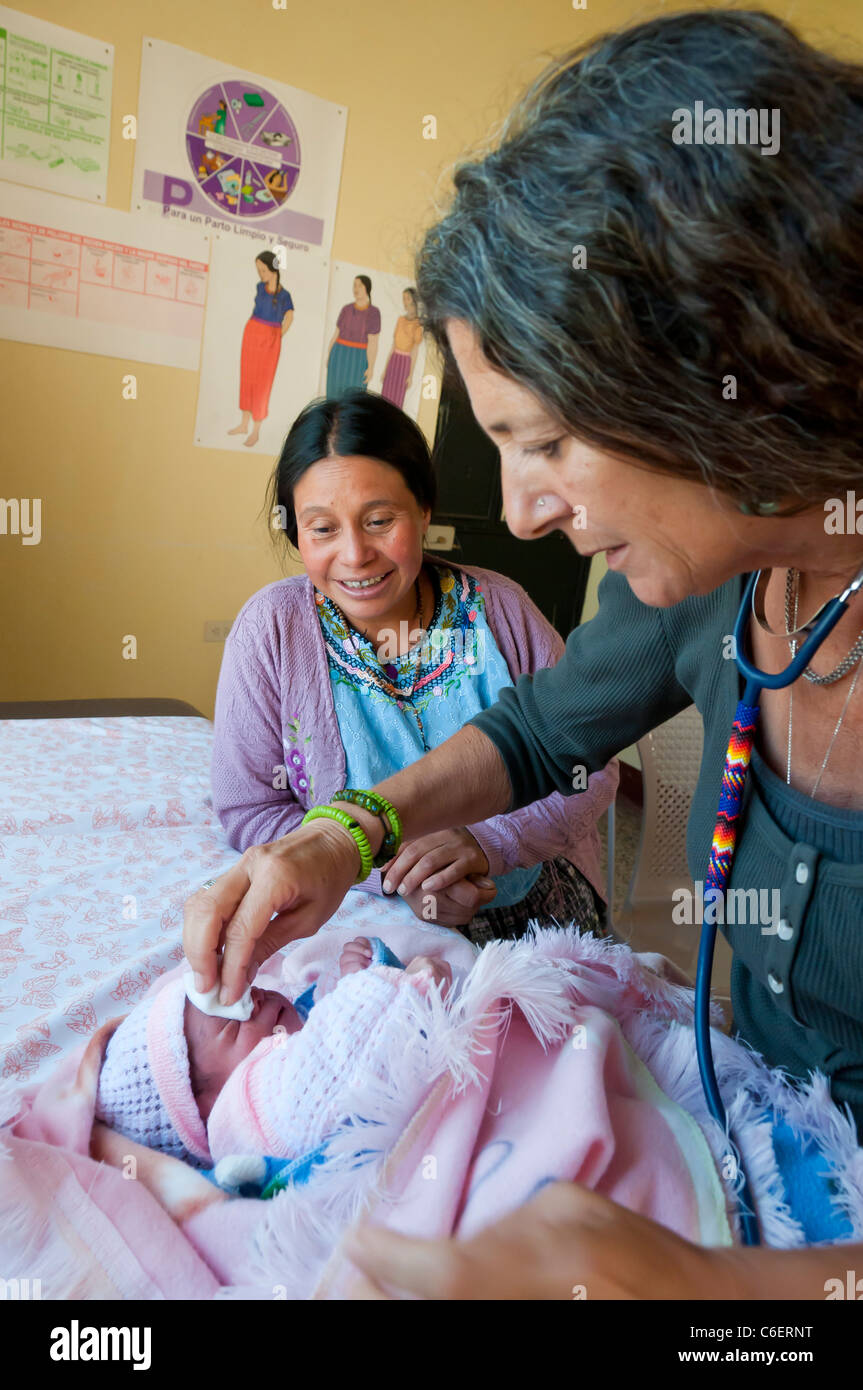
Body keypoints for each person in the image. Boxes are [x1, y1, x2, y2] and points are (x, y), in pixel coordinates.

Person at [185, 10, 863, 1297]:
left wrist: (721, 1295)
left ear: (741, 377)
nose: (529, 507)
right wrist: (349, 834)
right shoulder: (718, 586)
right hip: (746, 1128)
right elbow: (538, 733)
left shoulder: (547, 587)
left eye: (545, 441)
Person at [212, 388, 617, 944]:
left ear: (424, 511)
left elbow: (588, 766)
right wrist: (392, 873)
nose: (354, 554)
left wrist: (486, 844)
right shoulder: (271, 632)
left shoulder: (500, 610)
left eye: (379, 520)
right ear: (296, 532)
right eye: (323, 528)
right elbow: (251, 809)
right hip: (364, 916)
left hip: (532, 903)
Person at [94, 937, 450, 1189]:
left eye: (239, 994)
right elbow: (339, 1053)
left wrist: (362, 971)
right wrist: (399, 984)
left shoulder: (287, 1032)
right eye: (231, 1020)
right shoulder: (247, 1115)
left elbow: (326, 1026)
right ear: (202, 1108)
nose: (254, 997)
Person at [228, 251, 295, 448]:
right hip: (252, 334)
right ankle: (243, 424)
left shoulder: (285, 295)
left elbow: (289, 317)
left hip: (270, 339)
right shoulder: (259, 287)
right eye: (258, 270)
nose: (260, 274)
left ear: (273, 269)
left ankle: (256, 431)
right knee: (247, 377)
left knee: (262, 383)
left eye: (263, 269)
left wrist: (277, 335)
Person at [325, 275, 380, 394]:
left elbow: (373, 342)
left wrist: (370, 367)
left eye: (360, 285)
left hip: (358, 359)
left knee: (353, 398)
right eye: (354, 285)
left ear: (367, 288)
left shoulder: (374, 313)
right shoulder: (346, 309)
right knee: (333, 395)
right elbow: (336, 334)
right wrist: (329, 355)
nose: (356, 288)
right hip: (339, 355)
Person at [380, 287, 424, 407]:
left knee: (397, 399)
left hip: (404, 364)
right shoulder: (400, 320)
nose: (405, 301)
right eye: (403, 298)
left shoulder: (418, 325)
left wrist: (410, 375)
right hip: (393, 360)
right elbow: (393, 345)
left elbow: (415, 351)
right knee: (385, 396)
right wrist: (385, 369)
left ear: (414, 300)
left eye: (407, 298)